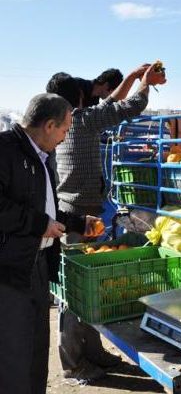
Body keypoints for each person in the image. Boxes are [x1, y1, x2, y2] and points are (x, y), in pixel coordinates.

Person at [46, 62, 166, 381]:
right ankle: (73, 364)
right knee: (73, 297)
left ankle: (94, 354)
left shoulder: (67, 122)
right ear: (80, 100)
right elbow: (130, 106)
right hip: (79, 218)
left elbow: (108, 104)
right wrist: (145, 83)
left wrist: (131, 77)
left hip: (78, 213)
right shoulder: (83, 122)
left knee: (87, 292)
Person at [0, 93, 102, 394]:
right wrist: (37, 225)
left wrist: (77, 222)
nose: (65, 136)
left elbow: (44, 209)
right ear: (48, 125)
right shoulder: (5, 150)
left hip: (36, 267)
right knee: (13, 356)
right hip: (9, 271)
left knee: (35, 351)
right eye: (65, 129)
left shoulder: (40, 156)